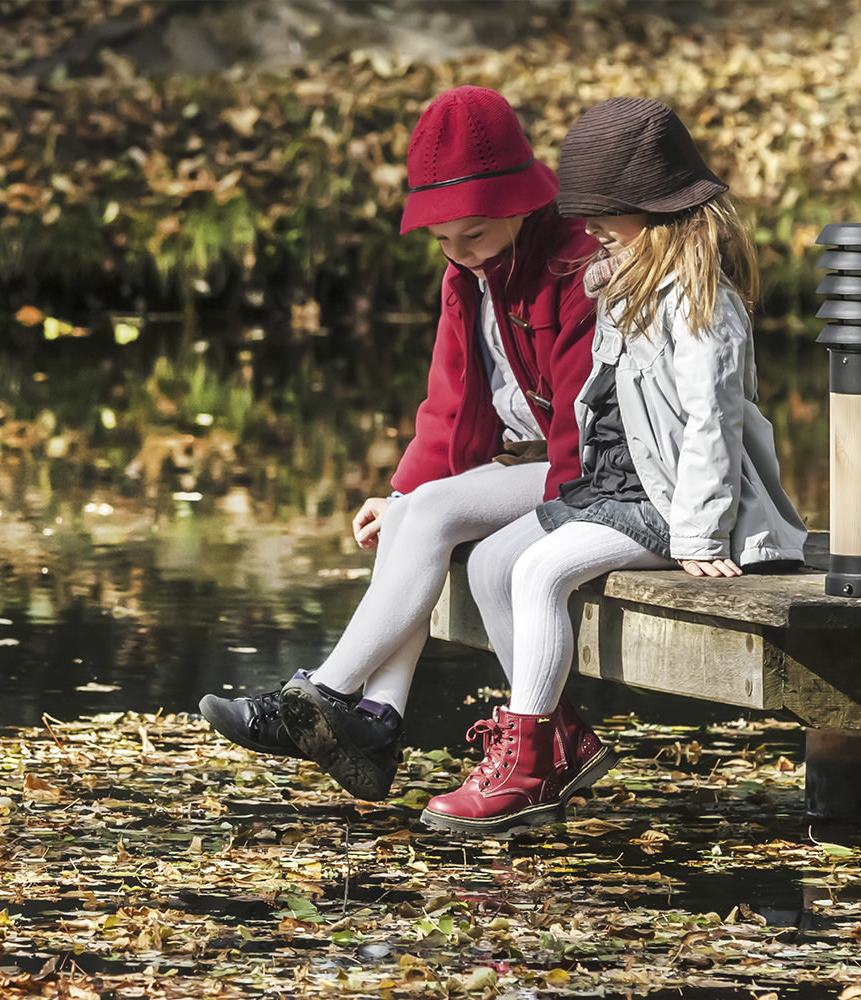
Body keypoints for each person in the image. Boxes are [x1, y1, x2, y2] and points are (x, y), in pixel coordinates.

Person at [419, 97, 809, 836]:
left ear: (657, 213)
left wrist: (698, 535)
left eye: (605, 216)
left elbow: (712, 423)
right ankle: (554, 737)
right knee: (489, 563)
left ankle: (527, 768)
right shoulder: (623, 282)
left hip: (669, 506)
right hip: (614, 490)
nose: (590, 230)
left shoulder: (701, 303)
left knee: (539, 572)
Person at [198, 85, 601, 801]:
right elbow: (447, 407)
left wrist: (555, 515)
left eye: (470, 235)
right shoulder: (466, 277)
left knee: (434, 512)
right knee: (412, 516)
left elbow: (579, 415)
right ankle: (378, 719)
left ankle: (321, 694)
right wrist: (398, 496)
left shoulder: (573, 267)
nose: (457, 253)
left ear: (519, 203)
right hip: (520, 465)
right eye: (442, 240)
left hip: (583, 473)